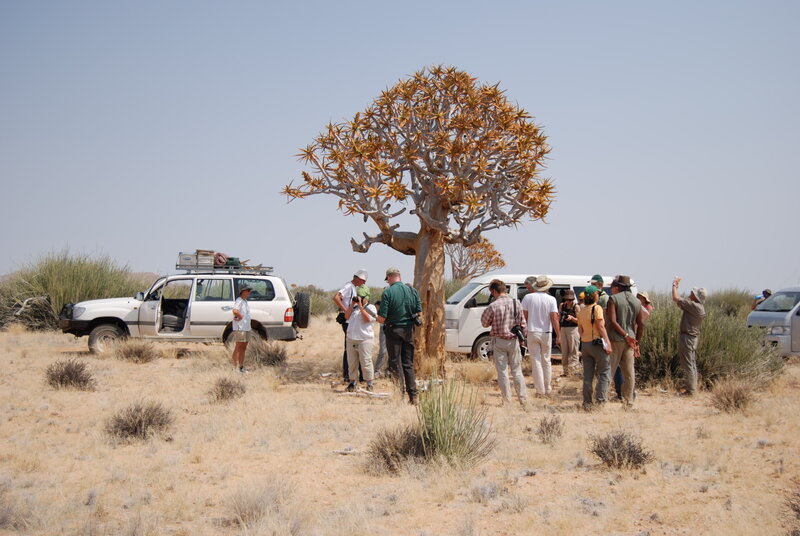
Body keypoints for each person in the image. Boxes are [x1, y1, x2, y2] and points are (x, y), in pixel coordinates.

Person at [480, 279, 528, 407]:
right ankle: (523, 399)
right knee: (517, 371)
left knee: (502, 372)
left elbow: (484, 323)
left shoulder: (493, 306)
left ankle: (507, 401)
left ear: (494, 291)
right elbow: (523, 324)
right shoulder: (516, 303)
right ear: (504, 289)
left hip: (499, 341)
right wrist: (522, 340)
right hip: (514, 341)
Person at [377, 268, 422, 405]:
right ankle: (413, 396)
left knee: (395, 363)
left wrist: (376, 317)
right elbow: (419, 313)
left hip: (393, 331)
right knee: (408, 364)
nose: (388, 282)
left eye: (388, 280)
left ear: (389, 277)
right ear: (399, 277)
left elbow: (382, 318)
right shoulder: (412, 291)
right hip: (408, 331)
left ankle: (399, 394)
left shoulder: (388, 292)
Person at [606, 275, 645, 406]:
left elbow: (613, 321)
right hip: (630, 342)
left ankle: (601, 399)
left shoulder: (613, 299)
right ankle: (629, 401)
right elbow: (641, 324)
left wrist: (625, 335)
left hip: (616, 339)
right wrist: (636, 342)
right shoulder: (637, 302)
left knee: (609, 371)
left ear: (618, 286)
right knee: (629, 373)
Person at [520, 275, 560, 396]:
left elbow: (524, 317)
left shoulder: (528, 297)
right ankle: (547, 388)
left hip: (532, 332)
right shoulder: (551, 299)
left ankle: (540, 390)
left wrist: (523, 331)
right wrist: (558, 335)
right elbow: (554, 318)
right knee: (546, 361)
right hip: (546, 333)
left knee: (536, 361)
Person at [577, 286, 612, 408]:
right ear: (594, 296)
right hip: (597, 343)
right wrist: (607, 342)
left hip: (585, 344)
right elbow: (601, 326)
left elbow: (580, 330)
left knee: (588, 375)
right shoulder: (597, 308)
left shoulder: (581, 311)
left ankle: (587, 402)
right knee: (604, 372)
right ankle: (601, 400)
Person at [672, 277, 706, 396]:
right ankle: (692, 388)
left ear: (696, 297)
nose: (690, 294)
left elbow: (675, 298)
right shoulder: (698, 307)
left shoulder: (694, 306)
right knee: (691, 363)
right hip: (692, 339)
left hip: (687, 338)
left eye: (693, 293)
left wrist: (674, 285)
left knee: (688, 364)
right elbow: (679, 302)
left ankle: (690, 391)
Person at [333, 269, 368, 382]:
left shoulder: (352, 287)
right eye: (363, 280)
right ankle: (348, 375)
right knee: (350, 348)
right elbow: (336, 297)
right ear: (357, 278)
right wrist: (346, 311)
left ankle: (352, 375)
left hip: (350, 320)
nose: (364, 283)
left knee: (352, 347)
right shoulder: (348, 286)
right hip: (348, 321)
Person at [344, 285, 376, 393]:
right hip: (351, 338)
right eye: (357, 296)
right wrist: (352, 304)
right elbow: (346, 316)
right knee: (352, 362)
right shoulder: (353, 307)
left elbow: (367, 319)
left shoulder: (371, 307)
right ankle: (352, 382)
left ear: (366, 297)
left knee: (366, 362)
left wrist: (361, 306)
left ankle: (370, 383)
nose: (359, 298)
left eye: (361, 296)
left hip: (364, 339)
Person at [558, 289, 581, 377]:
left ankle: (574, 372)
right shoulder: (562, 305)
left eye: (571, 299)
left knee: (573, 350)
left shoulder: (576, 307)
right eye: (567, 299)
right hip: (563, 329)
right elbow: (559, 318)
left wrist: (572, 318)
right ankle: (566, 372)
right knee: (564, 351)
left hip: (573, 329)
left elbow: (579, 321)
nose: (569, 301)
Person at [231, 285, 253, 374]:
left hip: (246, 327)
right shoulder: (239, 300)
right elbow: (235, 311)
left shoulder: (245, 301)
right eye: (248, 290)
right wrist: (240, 317)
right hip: (240, 327)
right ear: (243, 291)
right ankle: (234, 367)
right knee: (238, 346)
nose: (249, 292)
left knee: (244, 347)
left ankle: (241, 367)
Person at [372, 300, 388, 378]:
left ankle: (389, 370)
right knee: (382, 351)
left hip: (392, 328)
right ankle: (377, 370)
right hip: (383, 329)